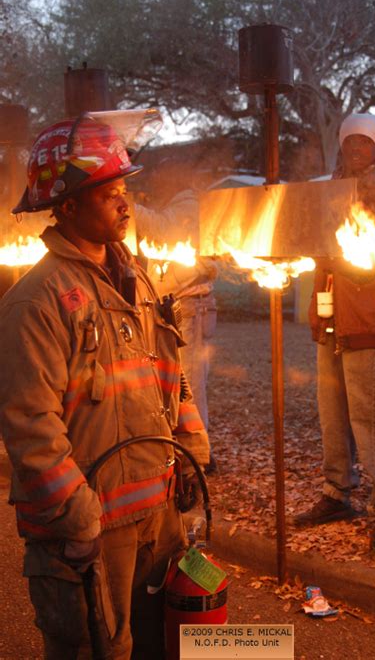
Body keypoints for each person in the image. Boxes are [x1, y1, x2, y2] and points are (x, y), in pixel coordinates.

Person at [0, 113, 210, 659]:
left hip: (156, 514)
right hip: (93, 528)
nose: (124, 203)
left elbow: (169, 372)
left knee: (159, 645)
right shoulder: (36, 301)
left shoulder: (135, 279)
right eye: (108, 193)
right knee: (98, 650)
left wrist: (190, 452)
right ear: (66, 206)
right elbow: (30, 425)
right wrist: (78, 517)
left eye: (124, 189)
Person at [295, 113, 375, 551]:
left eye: (364, 143)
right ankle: (337, 492)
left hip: (370, 313)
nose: (355, 150)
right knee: (334, 411)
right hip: (331, 311)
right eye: (349, 143)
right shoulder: (330, 189)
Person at [136, 190, 219, 474]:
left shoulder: (187, 204)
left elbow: (162, 228)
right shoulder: (171, 204)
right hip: (172, 305)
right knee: (176, 381)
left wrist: (122, 202)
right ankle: (187, 449)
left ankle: (199, 456)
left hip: (191, 307)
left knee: (190, 384)